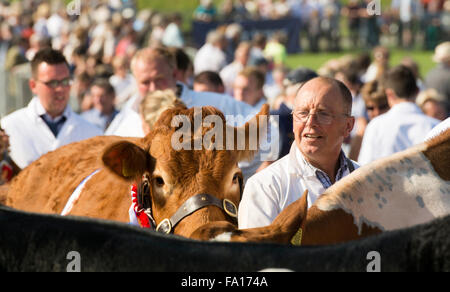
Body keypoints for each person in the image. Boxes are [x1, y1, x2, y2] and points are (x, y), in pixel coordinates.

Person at [238, 77, 358, 229]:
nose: (311, 121)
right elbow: (255, 251)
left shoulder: (368, 181)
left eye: (323, 114)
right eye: (303, 113)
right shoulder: (265, 187)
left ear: (348, 125)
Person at [106, 46, 259, 137]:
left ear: (174, 74)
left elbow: (267, 129)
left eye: (159, 79)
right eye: (145, 82)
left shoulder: (217, 105)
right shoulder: (127, 119)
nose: (153, 88)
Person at [0, 48, 102, 169]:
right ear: (33, 85)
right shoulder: (9, 128)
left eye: (65, 81)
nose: (60, 89)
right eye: (52, 83)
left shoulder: (92, 134)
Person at [358, 65, 441, 165]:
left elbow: (364, 167)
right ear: (418, 91)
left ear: (389, 94)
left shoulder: (376, 125)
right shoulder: (436, 126)